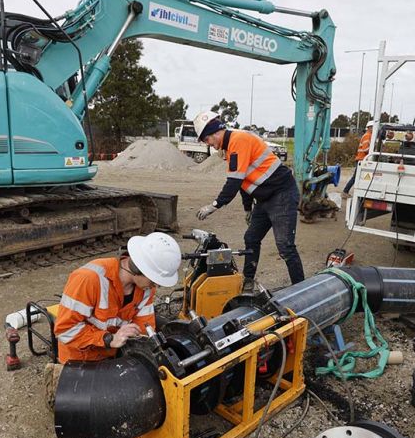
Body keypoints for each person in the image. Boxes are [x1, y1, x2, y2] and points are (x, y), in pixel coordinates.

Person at [193, 111, 304, 288]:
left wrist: (214, 205)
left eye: (206, 140)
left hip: (282, 193)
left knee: (285, 246)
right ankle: (248, 281)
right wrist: (247, 209)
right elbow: (244, 183)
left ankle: (301, 288)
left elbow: (234, 182)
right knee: (251, 237)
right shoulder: (229, 149)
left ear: (214, 132)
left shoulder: (238, 140)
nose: (209, 144)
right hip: (265, 198)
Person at [52, 232, 181, 364]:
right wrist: (109, 339)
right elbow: (65, 330)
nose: (156, 285)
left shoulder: (146, 288)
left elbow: (144, 327)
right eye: (154, 279)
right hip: (81, 359)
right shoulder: (89, 279)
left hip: (115, 354)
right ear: (139, 269)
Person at [341, 120, 374, 200]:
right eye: (373, 127)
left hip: (362, 160)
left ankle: (347, 192)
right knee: (356, 177)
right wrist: (373, 151)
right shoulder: (367, 136)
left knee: (358, 177)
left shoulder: (368, 135)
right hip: (362, 160)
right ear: (369, 128)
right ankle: (345, 192)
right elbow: (366, 149)